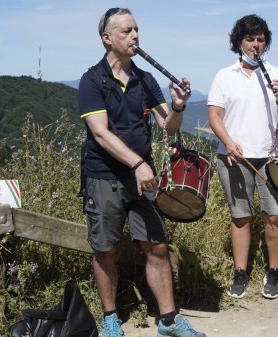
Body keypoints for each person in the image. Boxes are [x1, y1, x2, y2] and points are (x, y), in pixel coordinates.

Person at [77, 8, 206, 337]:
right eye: (126, 31)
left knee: (157, 247)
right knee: (106, 249)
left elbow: (169, 127)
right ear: (107, 38)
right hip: (104, 176)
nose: (135, 36)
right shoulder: (92, 80)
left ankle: (168, 320)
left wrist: (178, 106)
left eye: (137, 30)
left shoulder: (146, 79)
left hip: (143, 178)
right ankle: (109, 317)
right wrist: (137, 163)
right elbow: (101, 134)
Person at [207, 14, 278, 300]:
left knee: (275, 216)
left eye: (260, 39)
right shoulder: (224, 76)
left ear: (266, 43)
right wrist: (228, 142)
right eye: (250, 39)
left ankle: (274, 272)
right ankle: (240, 272)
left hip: (272, 157)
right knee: (240, 217)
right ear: (239, 43)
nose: (255, 44)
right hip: (233, 157)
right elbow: (214, 116)